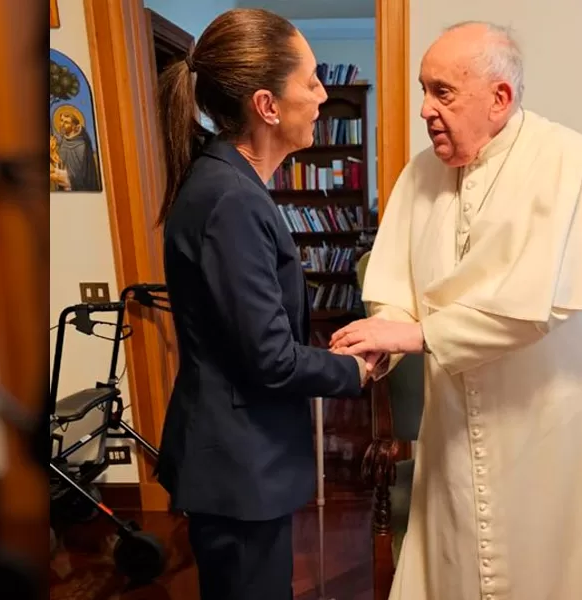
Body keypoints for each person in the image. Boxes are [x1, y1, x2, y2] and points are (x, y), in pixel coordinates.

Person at [330, 21, 582, 600]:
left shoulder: (566, 162)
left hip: (562, 406)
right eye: (423, 90)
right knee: (462, 550)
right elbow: (397, 285)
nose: (425, 109)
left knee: (561, 556)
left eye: (443, 92)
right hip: (461, 408)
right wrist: (384, 334)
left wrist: (412, 334)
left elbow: (531, 308)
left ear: (499, 98)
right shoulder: (420, 173)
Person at [153, 9, 374, 599]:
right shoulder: (230, 200)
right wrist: (353, 369)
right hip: (237, 469)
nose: (324, 94)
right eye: (310, 80)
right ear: (267, 105)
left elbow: (251, 334)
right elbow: (270, 359)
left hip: (237, 461)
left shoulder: (228, 184)